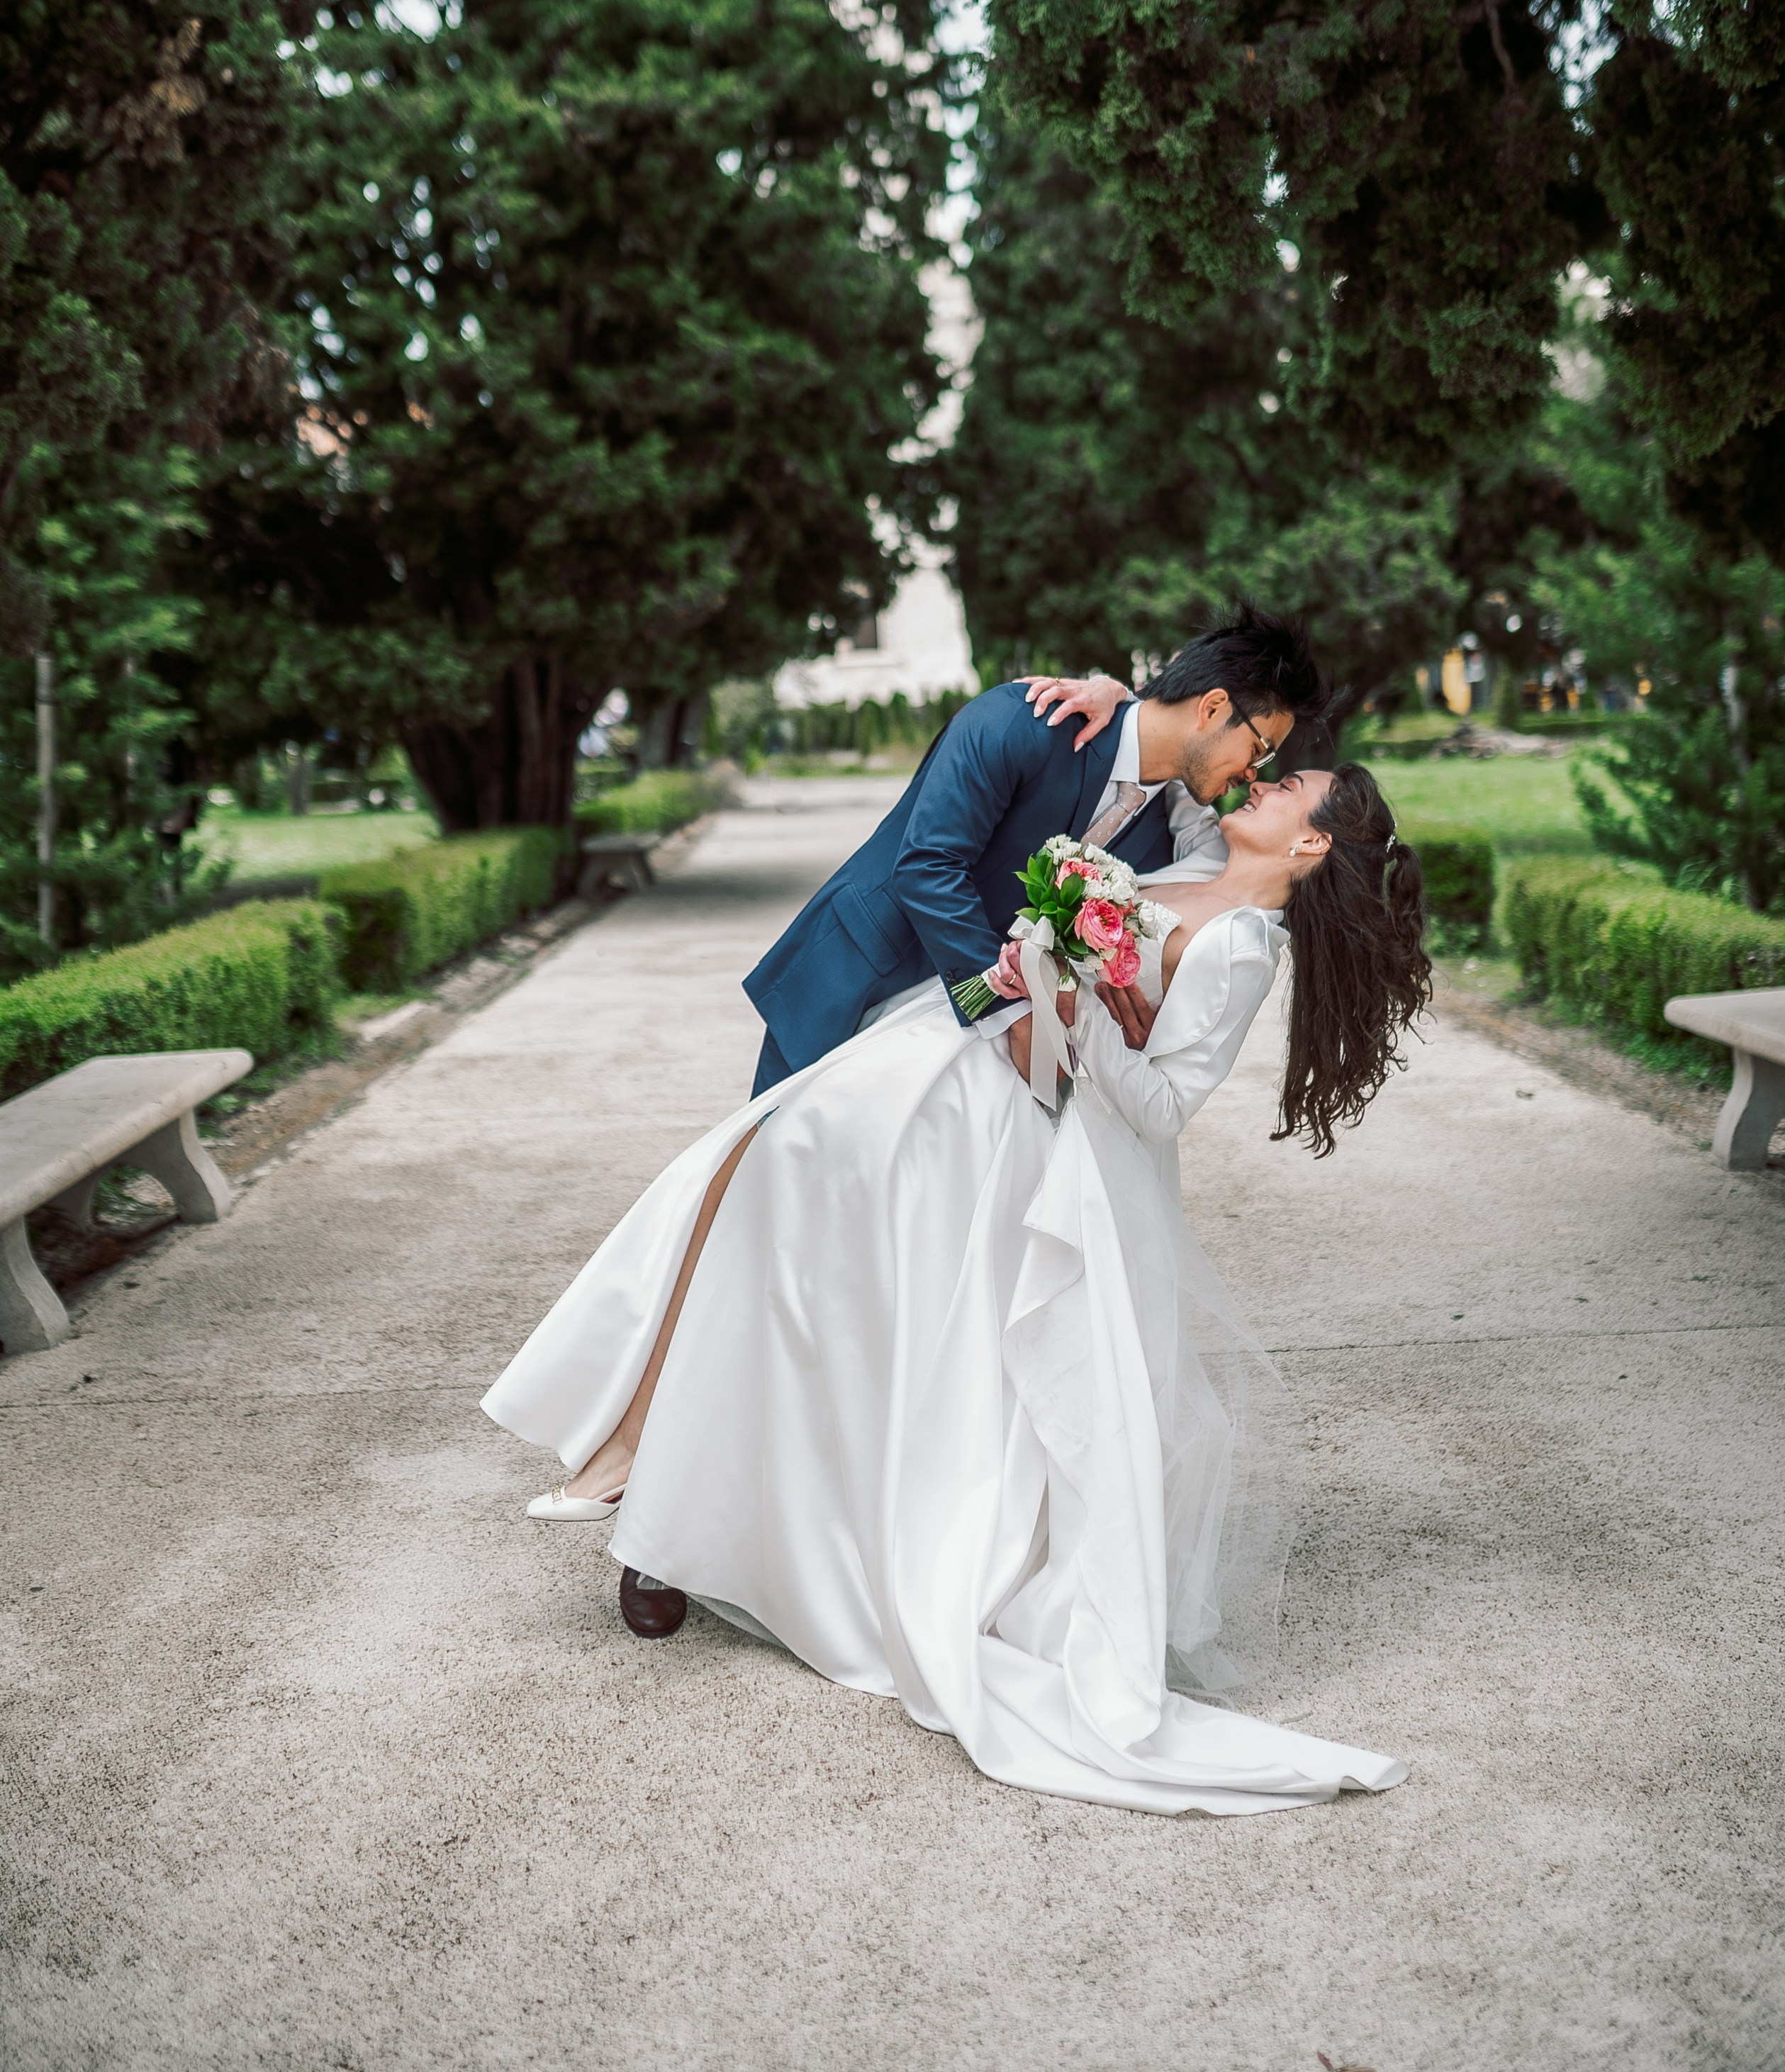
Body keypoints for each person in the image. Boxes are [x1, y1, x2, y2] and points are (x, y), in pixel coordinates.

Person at [482, 750, 1433, 1818]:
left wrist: (1072, 1003)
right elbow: (1152, 751)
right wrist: (1091, 728)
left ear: (1311, 843)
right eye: (1264, 768)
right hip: (961, 1057)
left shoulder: (1244, 947)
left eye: (1285, 790)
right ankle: (654, 1477)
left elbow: (1163, 1106)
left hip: (1040, 1129)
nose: (1257, 785)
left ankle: (699, 1518)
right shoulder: (1197, 850)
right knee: (767, 1178)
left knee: (876, 1313)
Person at [741, 603, 1328, 1094]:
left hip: (949, 1046)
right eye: (1261, 749)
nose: (1256, 773)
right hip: (857, 973)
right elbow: (926, 866)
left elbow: (1258, 875)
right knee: (770, 1173)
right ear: (1214, 708)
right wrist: (1011, 1015)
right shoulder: (1023, 721)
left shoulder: (1169, 833)